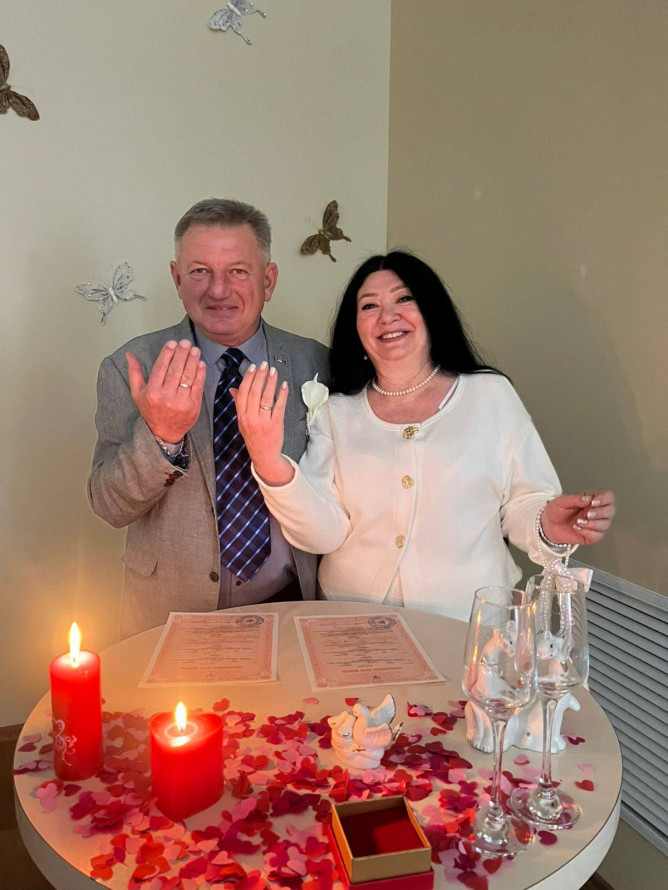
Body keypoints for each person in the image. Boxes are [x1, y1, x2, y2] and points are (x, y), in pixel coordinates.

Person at [233, 251, 615, 622]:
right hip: (353, 621)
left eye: (404, 299)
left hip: (469, 625)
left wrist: (546, 525)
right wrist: (269, 461)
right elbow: (324, 534)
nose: (387, 316)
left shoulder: (489, 394)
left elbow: (524, 501)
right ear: (356, 327)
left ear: (432, 310)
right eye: (369, 306)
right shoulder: (337, 411)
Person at [88, 198, 330, 638]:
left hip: (292, 605)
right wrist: (161, 437)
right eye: (200, 271)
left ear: (268, 280)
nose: (218, 290)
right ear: (177, 279)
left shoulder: (316, 362)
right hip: (172, 613)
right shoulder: (131, 367)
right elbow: (110, 506)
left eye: (238, 271)